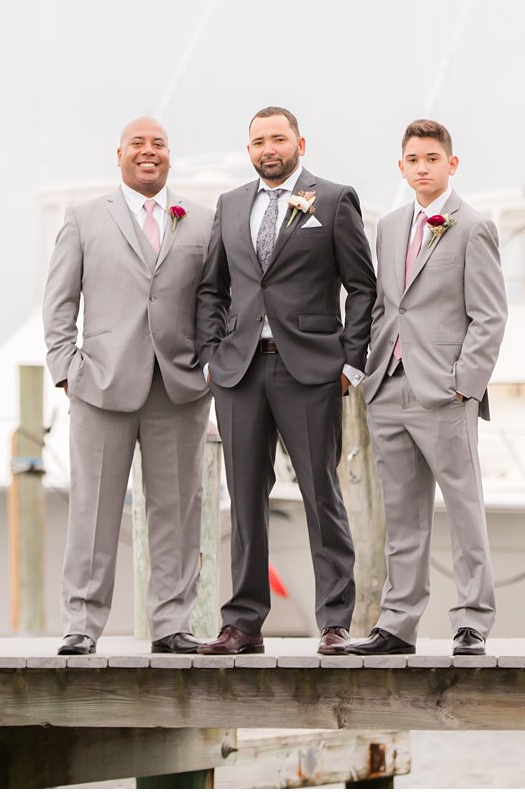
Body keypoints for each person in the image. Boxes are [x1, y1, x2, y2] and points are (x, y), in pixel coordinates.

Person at [195, 106, 376, 655]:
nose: (268, 149)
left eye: (278, 139)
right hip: (240, 370)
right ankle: (243, 624)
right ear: (248, 149)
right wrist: (210, 355)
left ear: (300, 142)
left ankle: (335, 621)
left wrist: (350, 361)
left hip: (311, 370)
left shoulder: (333, 199)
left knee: (322, 494)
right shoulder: (229, 206)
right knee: (245, 498)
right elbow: (212, 288)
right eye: (257, 141)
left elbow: (362, 286)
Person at [43, 117, 213, 655]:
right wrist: (67, 369)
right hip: (100, 386)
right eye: (138, 144)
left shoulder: (202, 223)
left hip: (179, 388)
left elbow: (216, 303)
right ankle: (82, 624)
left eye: (159, 144)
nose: (149, 151)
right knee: (93, 509)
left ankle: (171, 623)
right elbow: (59, 302)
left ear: (170, 156)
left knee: (178, 508)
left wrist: (208, 366)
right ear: (117, 155)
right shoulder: (84, 219)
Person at [344, 118, 507, 656]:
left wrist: (467, 386)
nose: (422, 168)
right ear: (402, 166)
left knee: (464, 506)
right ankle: (397, 622)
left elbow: (489, 316)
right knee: (402, 513)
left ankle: (472, 619)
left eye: (432, 159)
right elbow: (386, 306)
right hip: (389, 387)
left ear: (451, 164)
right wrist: (367, 373)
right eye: (413, 160)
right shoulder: (389, 226)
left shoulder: (473, 226)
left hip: (446, 392)